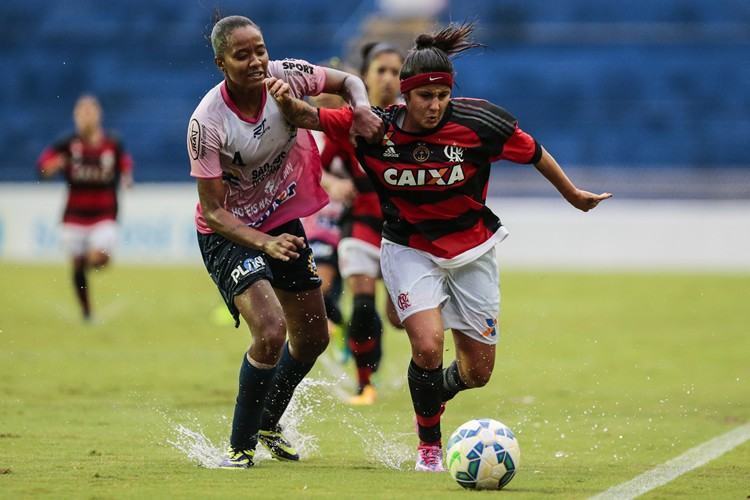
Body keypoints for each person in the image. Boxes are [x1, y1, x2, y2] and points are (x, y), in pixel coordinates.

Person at [265, 22, 612, 472]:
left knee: (477, 373)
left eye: (442, 96)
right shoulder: (374, 129)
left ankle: (433, 391)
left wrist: (573, 195)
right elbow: (309, 117)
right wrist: (281, 95)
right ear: (405, 95)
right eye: (425, 97)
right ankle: (429, 444)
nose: (434, 105)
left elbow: (534, 152)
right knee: (427, 346)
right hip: (407, 247)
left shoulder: (480, 122)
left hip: (473, 250)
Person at [187, 15, 380, 469]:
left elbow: (349, 80)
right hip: (228, 233)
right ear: (221, 63)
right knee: (271, 331)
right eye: (242, 55)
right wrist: (264, 245)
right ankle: (239, 447)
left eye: (260, 50)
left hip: (280, 218)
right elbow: (214, 211)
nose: (256, 61)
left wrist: (364, 106)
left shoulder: (285, 76)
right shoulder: (206, 124)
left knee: (312, 337)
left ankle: (270, 422)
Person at [334, 42, 406, 405]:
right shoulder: (347, 121)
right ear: (364, 76)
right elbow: (314, 166)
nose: (389, 79)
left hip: (404, 234)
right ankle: (366, 383)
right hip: (360, 226)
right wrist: (333, 183)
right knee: (363, 307)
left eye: (396, 72)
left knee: (398, 317)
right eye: (381, 70)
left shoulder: (414, 120)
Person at [37, 94, 134, 321]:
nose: (86, 117)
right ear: (75, 116)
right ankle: (87, 311)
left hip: (105, 214)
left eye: (90, 111)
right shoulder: (66, 144)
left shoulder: (113, 142)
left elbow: (125, 162)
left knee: (97, 258)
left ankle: (86, 268)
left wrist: (127, 176)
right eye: (82, 112)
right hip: (74, 216)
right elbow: (42, 167)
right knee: (78, 265)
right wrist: (53, 166)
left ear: (98, 115)